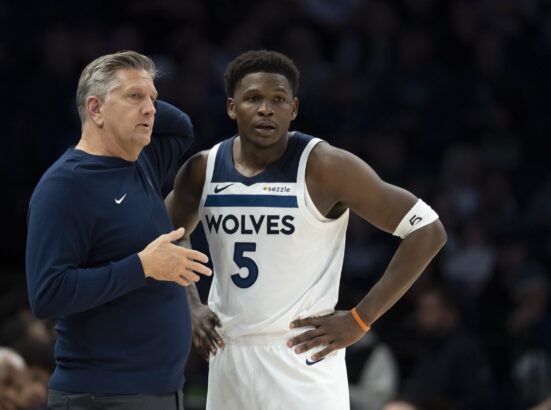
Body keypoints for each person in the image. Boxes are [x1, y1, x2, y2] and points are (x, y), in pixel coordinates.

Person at [166, 50, 447, 409]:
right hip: (228, 353)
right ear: (232, 107)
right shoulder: (203, 169)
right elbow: (167, 234)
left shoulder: (325, 166)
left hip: (300, 354)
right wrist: (191, 305)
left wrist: (362, 318)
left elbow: (428, 230)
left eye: (278, 100)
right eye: (253, 98)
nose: (266, 109)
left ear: (293, 109)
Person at [25, 50, 211, 409]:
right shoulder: (64, 186)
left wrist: (139, 86)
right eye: (135, 98)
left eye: (154, 99)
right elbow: (47, 294)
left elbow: (182, 126)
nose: (152, 110)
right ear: (95, 109)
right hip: (103, 396)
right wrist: (142, 266)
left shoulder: (142, 162)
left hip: (162, 392)